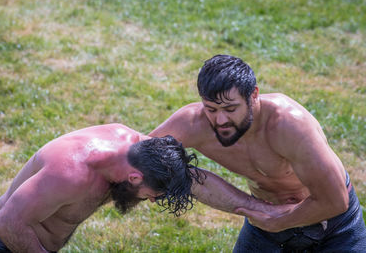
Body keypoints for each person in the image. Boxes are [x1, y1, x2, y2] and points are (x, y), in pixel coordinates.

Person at [150, 54, 366, 252]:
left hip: (334, 224)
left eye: (231, 109)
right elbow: (137, 154)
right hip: (265, 224)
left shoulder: (290, 124)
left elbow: (336, 200)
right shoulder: (193, 123)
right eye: (211, 109)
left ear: (254, 95)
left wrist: (279, 221)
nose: (220, 120)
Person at [0, 123, 203, 253]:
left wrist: (240, 204)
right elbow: (7, 224)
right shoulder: (71, 173)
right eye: (152, 196)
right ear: (134, 178)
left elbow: (198, 180)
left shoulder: (137, 150)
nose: (151, 201)